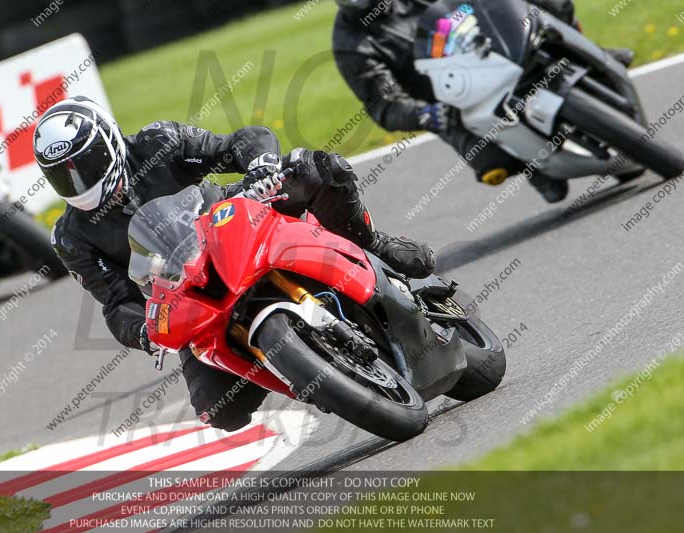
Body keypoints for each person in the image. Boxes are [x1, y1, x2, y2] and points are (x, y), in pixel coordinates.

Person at [33, 96, 435, 431]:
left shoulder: (159, 141)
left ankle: (370, 244)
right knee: (219, 410)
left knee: (317, 167)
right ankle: (305, 369)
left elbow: (239, 142)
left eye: (83, 166)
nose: (77, 182)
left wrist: (260, 165)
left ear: (108, 142)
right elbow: (115, 301)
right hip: (188, 291)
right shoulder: (70, 236)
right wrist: (144, 332)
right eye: (62, 177)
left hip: (236, 226)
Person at [332, 0, 635, 203]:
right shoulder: (351, 44)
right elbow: (384, 105)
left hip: (498, 46)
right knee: (493, 164)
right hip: (457, 102)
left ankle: (592, 52)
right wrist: (426, 114)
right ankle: (533, 164)